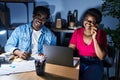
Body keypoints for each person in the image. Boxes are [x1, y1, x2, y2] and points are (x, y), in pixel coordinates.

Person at [69, 8, 107, 80]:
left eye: (91, 21)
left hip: (95, 63)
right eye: (86, 19)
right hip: (80, 60)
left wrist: (94, 38)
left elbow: (101, 57)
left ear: (96, 24)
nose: (88, 22)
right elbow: (70, 49)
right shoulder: (78, 31)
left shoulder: (101, 34)